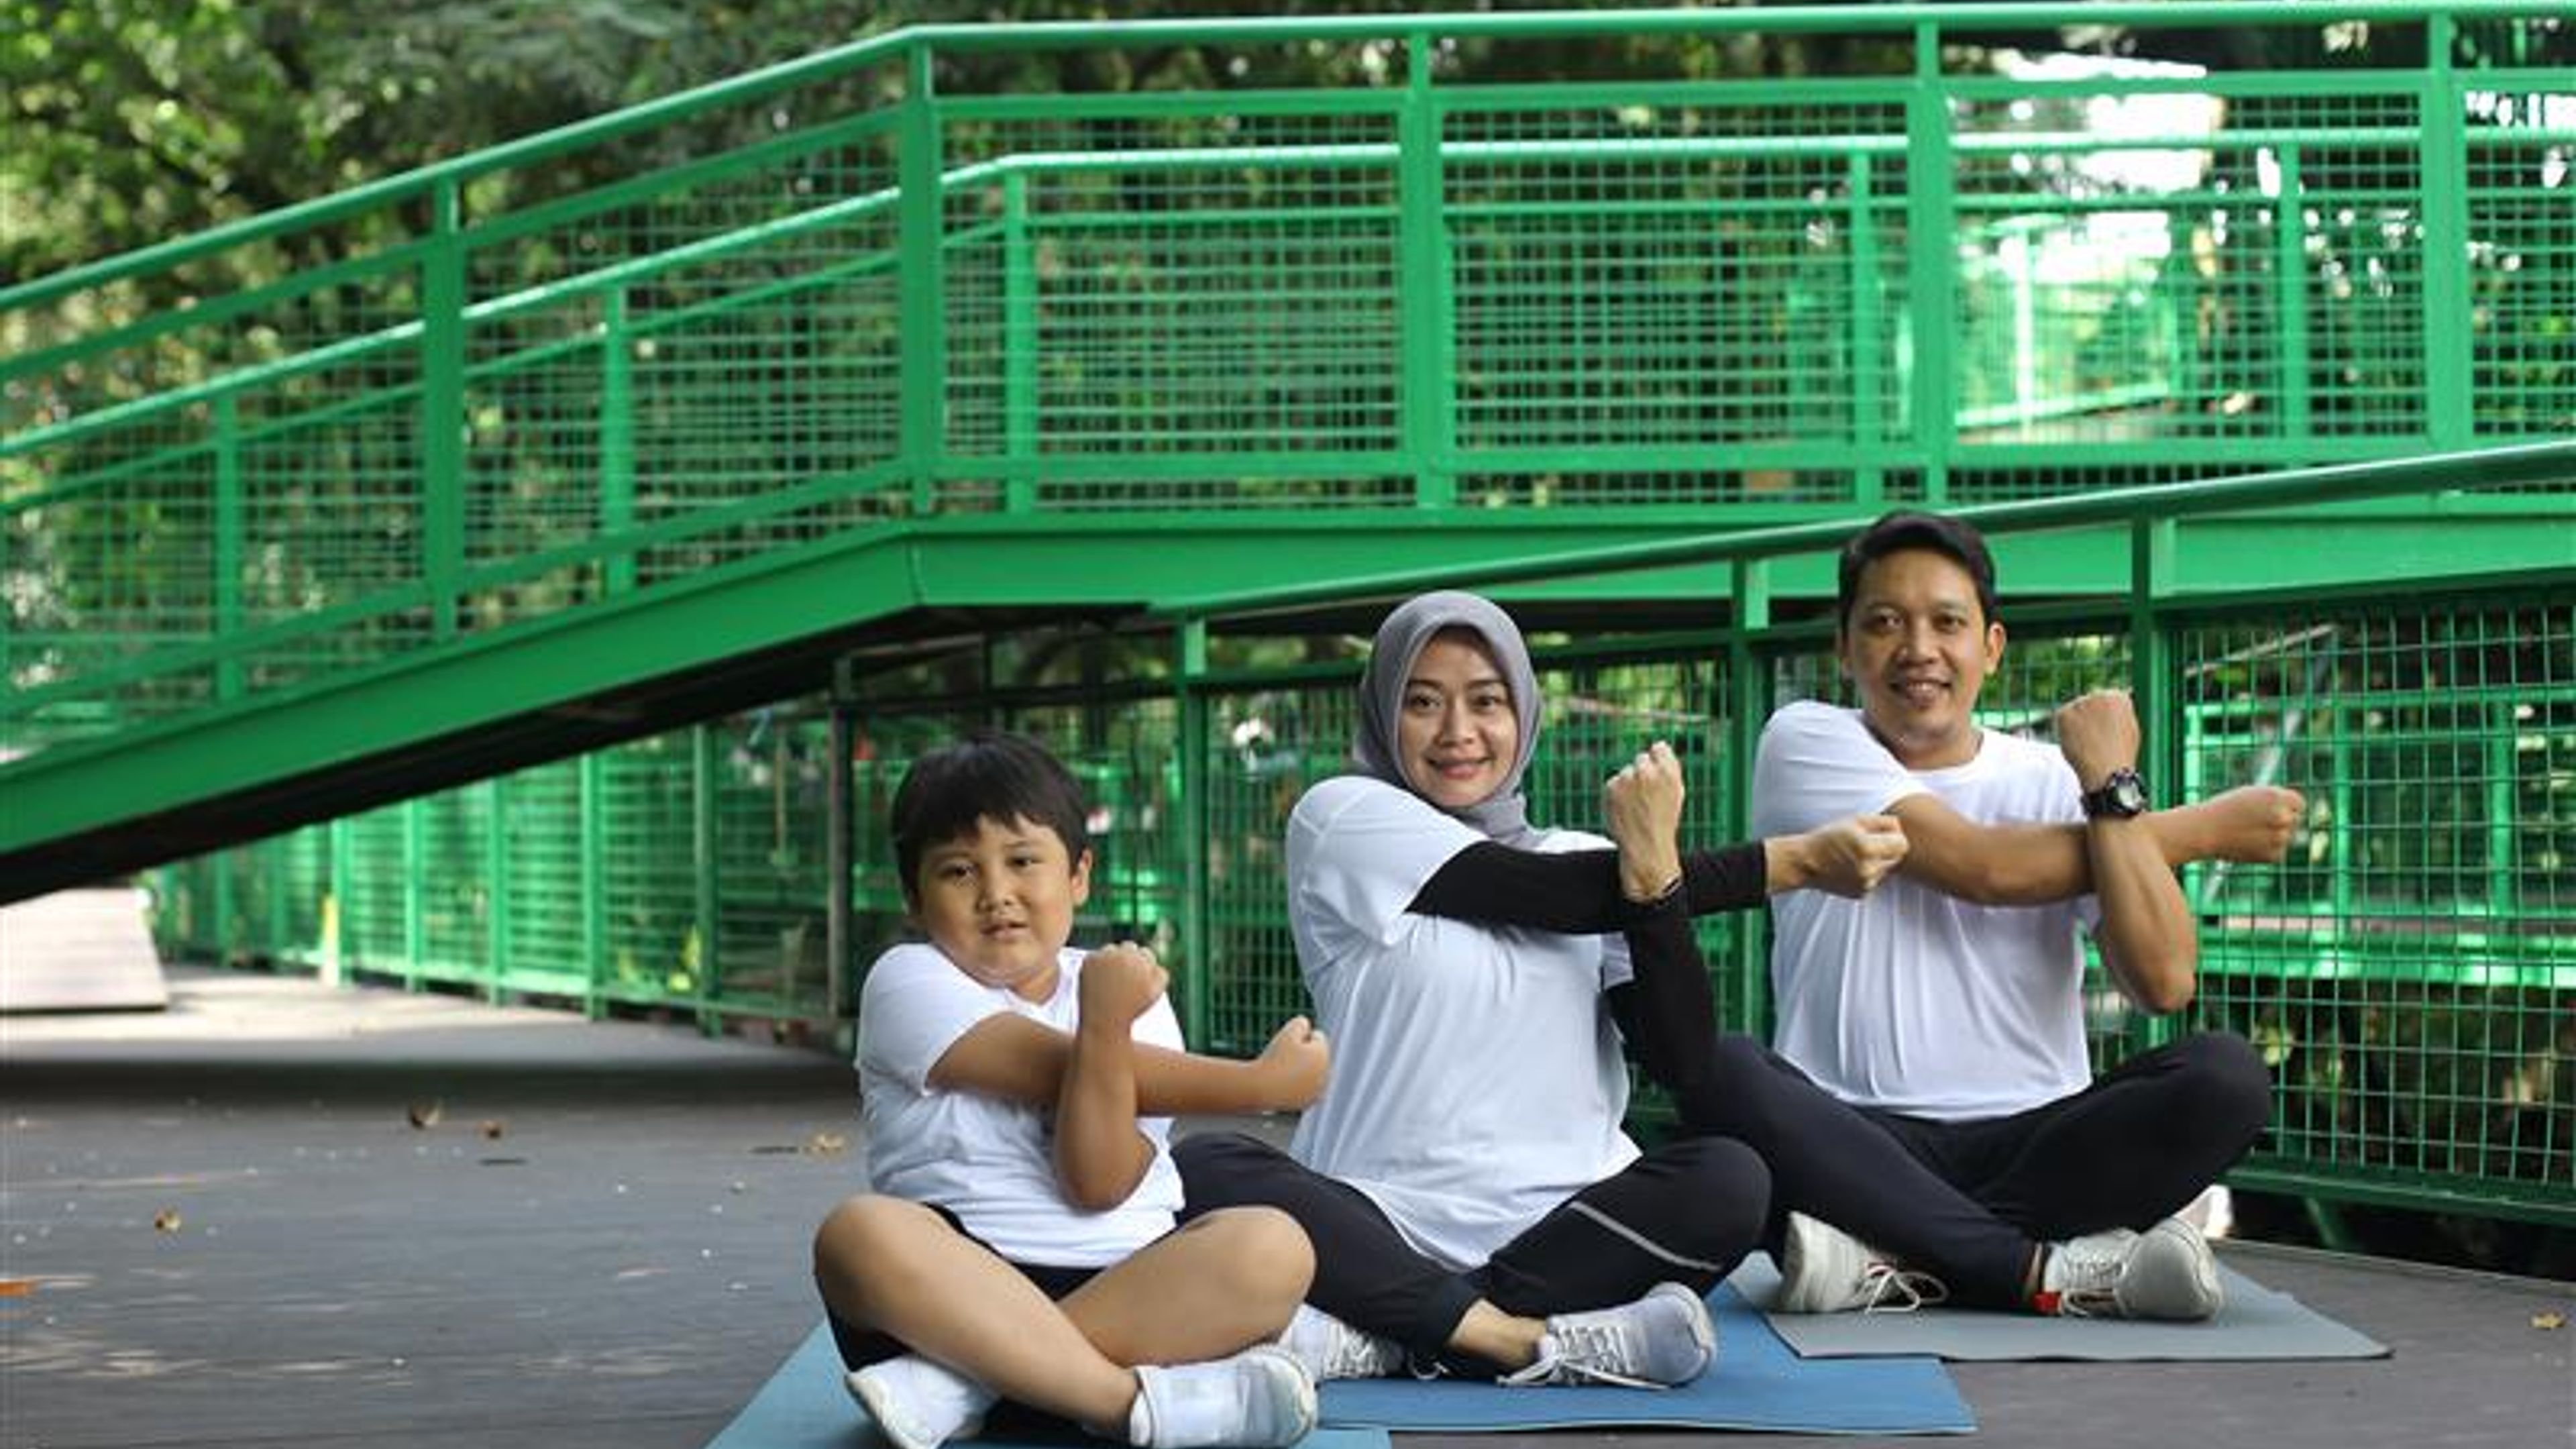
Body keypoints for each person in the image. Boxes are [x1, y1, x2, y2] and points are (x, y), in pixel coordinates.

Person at [1177, 590, 1912, 1388]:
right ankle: (1524, 1340)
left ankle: (1402, 1337)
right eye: (1423, 703)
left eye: (1486, 702)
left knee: (1732, 1179)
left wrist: (1656, 886)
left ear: (1524, 713)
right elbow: (1550, 893)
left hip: (1573, 1228)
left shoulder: (1594, 855)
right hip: (1379, 1222)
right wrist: (1788, 862)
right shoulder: (1345, 817)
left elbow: (1684, 1061)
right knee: (1206, 1167)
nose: (1459, 733)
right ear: (1385, 713)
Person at [1748, 508, 2299, 1316]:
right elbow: (1982, 868)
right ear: (1844, 646)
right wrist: (2192, 826)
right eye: (1885, 624)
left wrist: (2107, 781)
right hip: (1855, 1141)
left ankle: (1892, 1257)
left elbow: (2164, 980)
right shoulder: (1806, 739)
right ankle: (2043, 1267)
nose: (1919, 650)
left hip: (2034, 1141)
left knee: (2226, 1078)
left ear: (1992, 647)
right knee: (1729, 1080)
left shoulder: (2051, 777)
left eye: (1948, 623)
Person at [811, 731, 1332, 1449]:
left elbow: (1097, 1182)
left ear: (1079, 875)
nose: (997, 895)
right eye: (959, 872)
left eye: (1024, 861)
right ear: (913, 895)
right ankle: (1128, 1404)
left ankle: (964, 1385)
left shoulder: (1125, 988)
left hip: (1133, 1291)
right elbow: (1043, 1065)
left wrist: (1110, 1014)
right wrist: (1257, 1084)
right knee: (858, 1235)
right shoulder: (908, 978)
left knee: (1275, 1246)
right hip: (951, 1294)